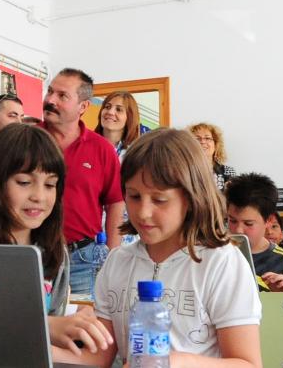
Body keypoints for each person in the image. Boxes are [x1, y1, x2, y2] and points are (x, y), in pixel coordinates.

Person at [55, 128, 262, 368]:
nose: (143, 213)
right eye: (134, 196)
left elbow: (248, 363)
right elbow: (98, 358)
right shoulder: (117, 262)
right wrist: (40, 349)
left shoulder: (222, 262)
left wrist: (175, 362)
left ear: (192, 198)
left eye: (159, 200)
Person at [0, 124, 113, 355]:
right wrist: (46, 327)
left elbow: (53, 328)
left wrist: (76, 326)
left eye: (50, 185)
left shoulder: (54, 250)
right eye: (23, 182)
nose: (39, 196)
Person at [41, 68, 125, 295]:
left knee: (79, 327)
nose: (50, 100)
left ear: (83, 107)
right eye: (50, 92)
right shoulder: (28, 140)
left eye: (62, 96)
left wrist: (113, 255)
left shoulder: (102, 149)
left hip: (82, 261)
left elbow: (115, 202)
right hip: (32, 254)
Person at [224, 172, 283, 293]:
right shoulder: (218, 252)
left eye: (248, 224)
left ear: (268, 220)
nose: (238, 230)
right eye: (232, 220)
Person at [93, 91, 141, 160]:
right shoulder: (85, 144)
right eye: (107, 107)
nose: (110, 112)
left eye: (118, 109)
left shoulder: (135, 154)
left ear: (129, 118)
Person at [188, 122, 235, 190]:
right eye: (197, 139)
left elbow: (232, 198)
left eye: (207, 138)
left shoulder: (228, 171)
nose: (202, 142)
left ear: (216, 145)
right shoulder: (184, 170)